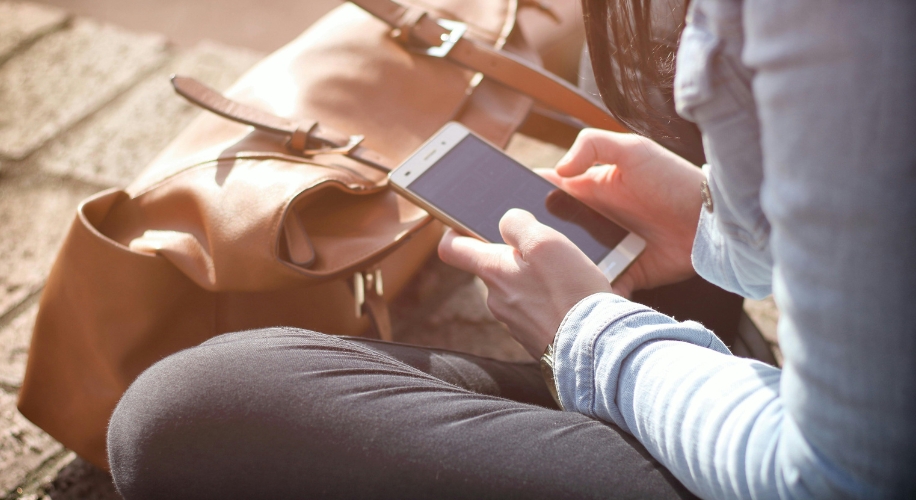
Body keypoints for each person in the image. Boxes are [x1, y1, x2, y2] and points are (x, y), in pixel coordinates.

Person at [106, 0, 916, 498]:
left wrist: (590, 335)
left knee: (192, 415)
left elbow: (841, 481)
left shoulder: (834, 32)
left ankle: (672, 376)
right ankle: (694, 370)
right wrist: (719, 229)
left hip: (822, 467)